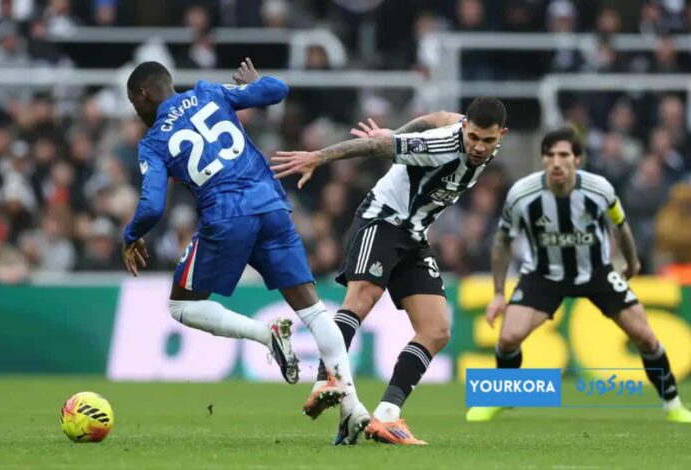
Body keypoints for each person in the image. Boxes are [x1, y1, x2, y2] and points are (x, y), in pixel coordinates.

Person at [121, 59, 371, 444]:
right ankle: (352, 408)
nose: (137, 112)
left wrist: (131, 235)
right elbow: (277, 90)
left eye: (135, 103)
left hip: (226, 216)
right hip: (271, 206)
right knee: (314, 310)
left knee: (181, 305)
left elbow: (152, 206)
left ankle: (265, 334)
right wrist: (255, 83)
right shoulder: (209, 92)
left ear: (143, 94)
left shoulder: (153, 141)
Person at [273, 98, 508, 444]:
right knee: (362, 298)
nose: (478, 147)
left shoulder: (469, 131)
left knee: (436, 329)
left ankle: (386, 416)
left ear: (501, 135)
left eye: (487, 140)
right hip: (382, 219)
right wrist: (319, 157)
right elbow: (373, 148)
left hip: (413, 235)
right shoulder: (441, 144)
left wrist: (397, 133)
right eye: (472, 137)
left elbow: (439, 116)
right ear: (465, 128)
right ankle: (327, 378)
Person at [466, 128, 691, 424]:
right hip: (543, 274)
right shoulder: (522, 193)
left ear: (577, 159)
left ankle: (673, 404)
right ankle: (501, 397)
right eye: (550, 155)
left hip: (596, 272)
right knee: (508, 338)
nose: (556, 162)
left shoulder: (599, 189)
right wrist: (498, 293)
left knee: (646, 337)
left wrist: (632, 262)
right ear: (543, 160)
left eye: (563, 155)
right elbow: (502, 241)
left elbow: (621, 226)